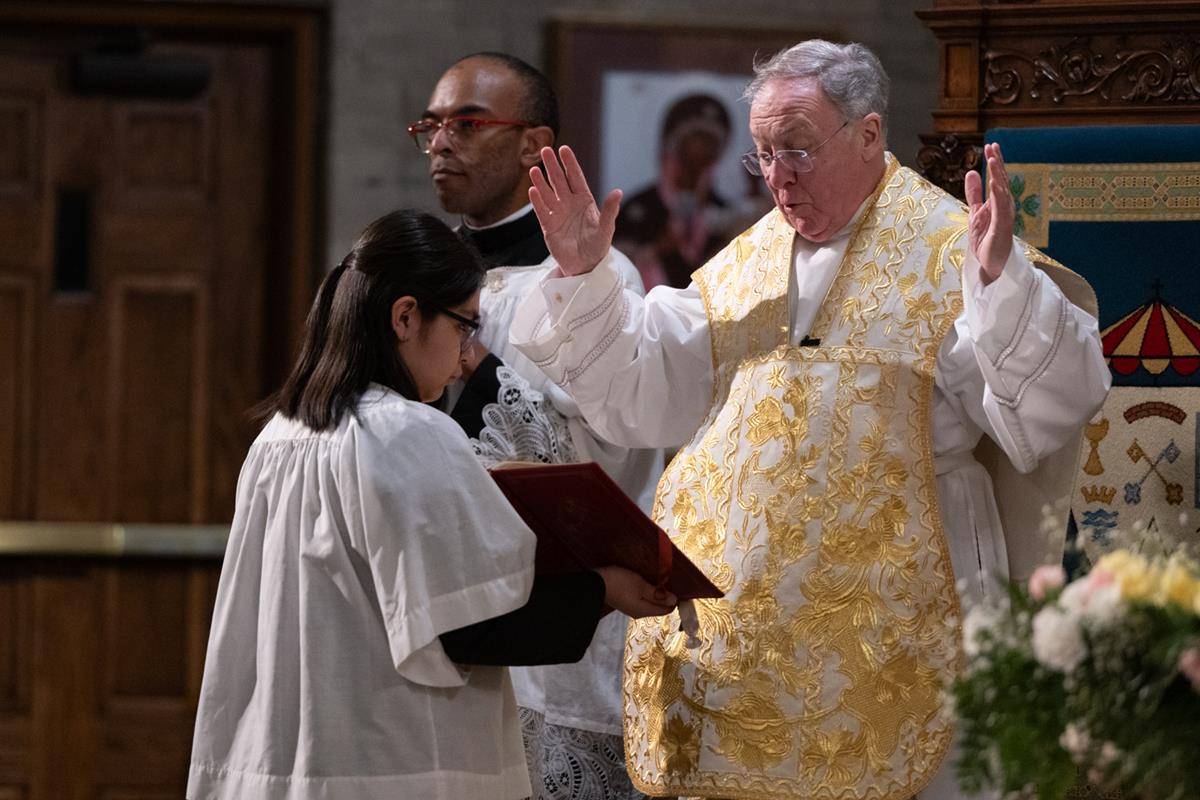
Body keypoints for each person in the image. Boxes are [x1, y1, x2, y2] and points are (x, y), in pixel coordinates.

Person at [510, 41, 1111, 800]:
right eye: (761, 156)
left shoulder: (947, 248)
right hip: (751, 646)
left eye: (796, 148)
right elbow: (642, 390)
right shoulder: (752, 261)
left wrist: (1000, 286)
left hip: (903, 611)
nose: (778, 178)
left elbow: (1055, 405)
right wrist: (580, 276)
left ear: (868, 133)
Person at [185, 209, 676, 800]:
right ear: (405, 317)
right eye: (466, 326)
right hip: (388, 763)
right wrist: (605, 589)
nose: (469, 354)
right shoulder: (408, 433)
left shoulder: (278, 438)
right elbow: (474, 624)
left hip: (284, 759)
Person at [409, 53, 663, 800]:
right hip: (445, 618)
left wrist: (475, 365)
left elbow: (605, 450)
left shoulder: (591, 281)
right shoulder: (416, 276)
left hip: (558, 639)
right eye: (431, 124)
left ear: (533, 144)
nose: (439, 142)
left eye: (467, 123)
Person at [613, 93, 735, 290]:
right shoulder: (638, 208)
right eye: (696, 138)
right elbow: (614, 267)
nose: (702, 150)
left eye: (710, 142)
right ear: (674, 144)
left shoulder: (725, 211)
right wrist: (657, 248)